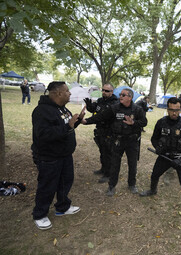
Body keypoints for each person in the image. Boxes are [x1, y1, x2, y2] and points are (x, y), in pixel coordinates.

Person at [31, 81, 84, 230]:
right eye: (67, 91)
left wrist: (77, 121)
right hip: (49, 157)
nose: (70, 93)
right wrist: (68, 126)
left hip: (65, 155)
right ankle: (40, 215)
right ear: (58, 93)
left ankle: (62, 207)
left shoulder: (62, 109)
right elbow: (43, 135)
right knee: (47, 186)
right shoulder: (41, 111)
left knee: (65, 182)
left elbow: (66, 127)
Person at [139, 97, 181, 228]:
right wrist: (158, 148)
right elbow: (154, 138)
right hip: (165, 156)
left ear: (180, 110)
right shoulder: (161, 122)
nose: (174, 113)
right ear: (167, 109)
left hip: (180, 158)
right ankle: (153, 190)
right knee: (154, 175)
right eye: (171, 110)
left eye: (177, 110)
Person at [82, 88, 147, 196]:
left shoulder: (137, 109)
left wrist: (134, 122)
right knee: (115, 164)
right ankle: (111, 186)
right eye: (120, 94)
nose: (120, 96)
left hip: (132, 141)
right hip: (118, 140)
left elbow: (144, 122)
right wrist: (86, 121)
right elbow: (101, 116)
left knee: (132, 164)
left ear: (130, 97)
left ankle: (132, 184)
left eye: (123, 95)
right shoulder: (115, 108)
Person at [84, 84, 118, 183]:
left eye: (107, 91)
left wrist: (87, 121)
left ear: (112, 92)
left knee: (109, 153)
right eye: (103, 90)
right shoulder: (100, 101)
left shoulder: (115, 103)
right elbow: (95, 110)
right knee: (102, 151)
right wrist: (90, 106)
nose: (104, 92)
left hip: (110, 131)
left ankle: (108, 174)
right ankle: (103, 169)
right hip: (100, 130)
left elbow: (103, 116)